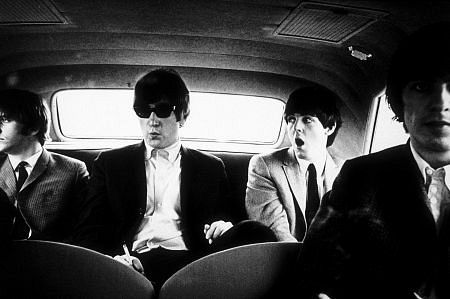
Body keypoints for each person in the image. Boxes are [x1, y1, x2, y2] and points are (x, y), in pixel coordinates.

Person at [74, 68, 276, 290]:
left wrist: (223, 226)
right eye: (143, 111)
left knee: (256, 232)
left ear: (182, 115)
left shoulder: (210, 167)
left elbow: (225, 220)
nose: (152, 121)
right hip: (131, 261)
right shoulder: (111, 163)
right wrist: (113, 258)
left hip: (193, 263)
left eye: (162, 110)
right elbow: (89, 229)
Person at [297, 22, 450, 299]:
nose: (441, 103)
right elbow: (313, 276)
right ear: (400, 101)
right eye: (422, 86)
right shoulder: (361, 177)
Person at [245, 85, 342, 241]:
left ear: (329, 128)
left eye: (307, 119)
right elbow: (275, 232)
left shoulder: (346, 172)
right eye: (291, 119)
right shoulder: (265, 166)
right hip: (284, 259)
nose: (296, 127)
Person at [0, 89, 89, 242]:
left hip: (50, 258)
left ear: (33, 127)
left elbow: (85, 229)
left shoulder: (73, 170)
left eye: (5, 120)